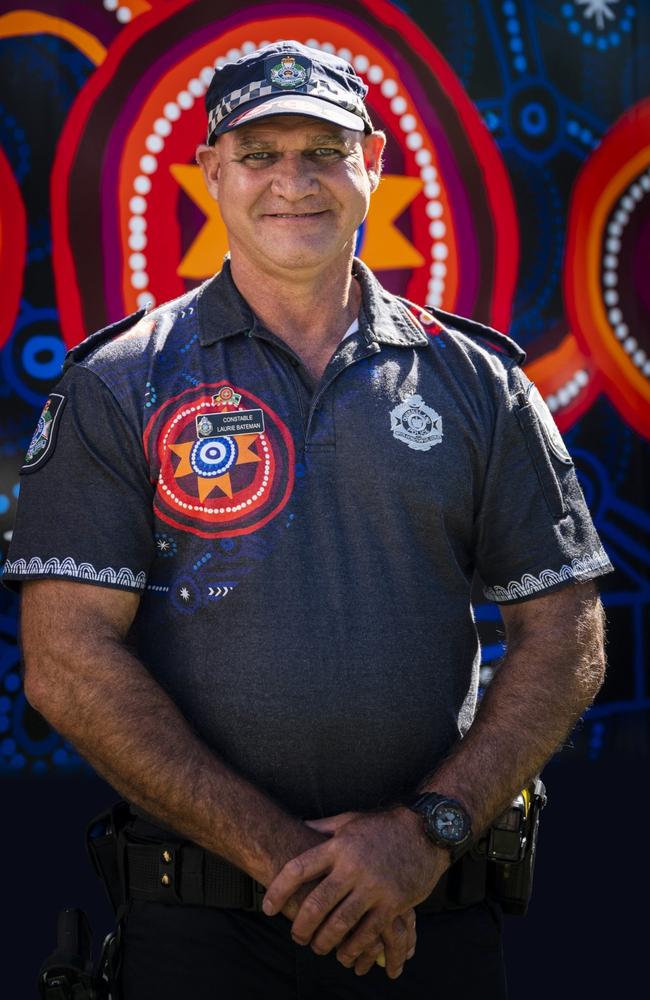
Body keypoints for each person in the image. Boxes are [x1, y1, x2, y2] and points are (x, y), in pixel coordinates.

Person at [5, 41, 611, 1000]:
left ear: (373, 161)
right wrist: (304, 870)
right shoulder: (119, 384)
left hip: (430, 919)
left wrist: (421, 837)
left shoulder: (476, 381)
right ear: (209, 172)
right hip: (201, 933)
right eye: (259, 154)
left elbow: (568, 634)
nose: (294, 181)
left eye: (324, 151)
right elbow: (66, 660)